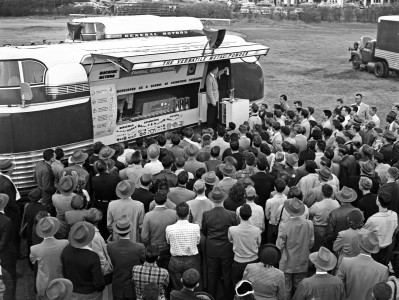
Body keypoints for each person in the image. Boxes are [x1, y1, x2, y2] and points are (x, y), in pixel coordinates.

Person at [202, 186, 238, 300]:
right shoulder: (231, 214)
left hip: (212, 248)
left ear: (212, 199)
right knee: (227, 274)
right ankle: (228, 296)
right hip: (226, 248)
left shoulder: (206, 214)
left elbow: (204, 230)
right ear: (223, 199)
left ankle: (211, 296)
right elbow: (234, 230)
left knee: (212, 274)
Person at [276, 198, 314, 300]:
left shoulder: (284, 226)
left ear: (288, 211)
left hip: (286, 261)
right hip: (302, 260)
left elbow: (279, 246)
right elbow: (311, 242)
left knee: (286, 288)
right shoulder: (309, 224)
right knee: (299, 288)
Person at [337, 231, 389, 300]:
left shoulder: (346, 262)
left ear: (359, 245)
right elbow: (381, 295)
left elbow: (338, 286)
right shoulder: (383, 270)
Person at [61, 221, 105, 300]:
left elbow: (64, 273)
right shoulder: (92, 256)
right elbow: (99, 283)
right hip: (90, 294)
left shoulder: (66, 251)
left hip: (72, 293)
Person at [107, 215, 145, 300]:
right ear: (130, 230)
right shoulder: (139, 247)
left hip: (116, 287)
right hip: (132, 288)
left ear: (117, 231)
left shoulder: (110, 246)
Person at [30, 216, 69, 299]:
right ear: (54, 228)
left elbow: (33, 261)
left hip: (44, 284)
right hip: (61, 282)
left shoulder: (34, 249)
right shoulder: (65, 243)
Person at [166, 202, 201, 290]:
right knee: (191, 287)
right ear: (189, 213)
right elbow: (197, 242)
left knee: (178, 288)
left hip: (175, 261)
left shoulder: (169, 228)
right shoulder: (196, 227)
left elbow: (168, 242)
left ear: (176, 214)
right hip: (191, 260)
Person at [141, 191, 177, 270]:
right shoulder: (174, 214)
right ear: (166, 200)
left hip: (154, 250)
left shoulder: (148, 216)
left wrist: (149, 246)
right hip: (168, 249)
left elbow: (144, 237)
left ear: (154, 200)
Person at [228, 204, 261, 285]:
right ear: (250, 215)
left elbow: (230, 240)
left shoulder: (232, 229)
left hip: (238, 262)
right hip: (253, 261)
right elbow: (259, 244)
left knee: (237, 286)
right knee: (253, 286)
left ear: (239, 216)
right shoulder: (256, 230)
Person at [84, 208, 113, 299]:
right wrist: (107, 271)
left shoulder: (84, 229)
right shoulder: (95, 236)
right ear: (97, 221)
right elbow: (100, 257)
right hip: (98, 274)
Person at [364, 191, 398, 265]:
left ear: (378, 202)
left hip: (376, 250)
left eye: (377, 198)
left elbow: (364, 233)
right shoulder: (394, 214)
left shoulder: (373, 219)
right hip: (389, 248)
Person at [91, 159, 121, 239]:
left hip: (100, 205)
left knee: (102, 224)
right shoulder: (116, 178)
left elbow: (93, 193)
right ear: (107, 167)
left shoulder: (94, 179)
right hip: (113, 204)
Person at [309, 184, 340, 251]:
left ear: (322, 193)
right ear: (331, 193)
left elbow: (310, 214)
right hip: (331, 229)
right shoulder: (336, 204)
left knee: (317, 248)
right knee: (328, 249)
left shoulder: (317, 205)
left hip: (318, 230)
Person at [206, 65, 227, 129]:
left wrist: (223, 70)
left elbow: (217, 74)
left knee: (215, 114)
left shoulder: (213, 76)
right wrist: (213, 101)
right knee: (211, 115)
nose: (217, 71)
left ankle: (214, 127)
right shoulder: (209, 78)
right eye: (217, 70)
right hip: (212, 101)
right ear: (214, 70)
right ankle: (210, 128)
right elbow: (209, 91)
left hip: (215, 99)